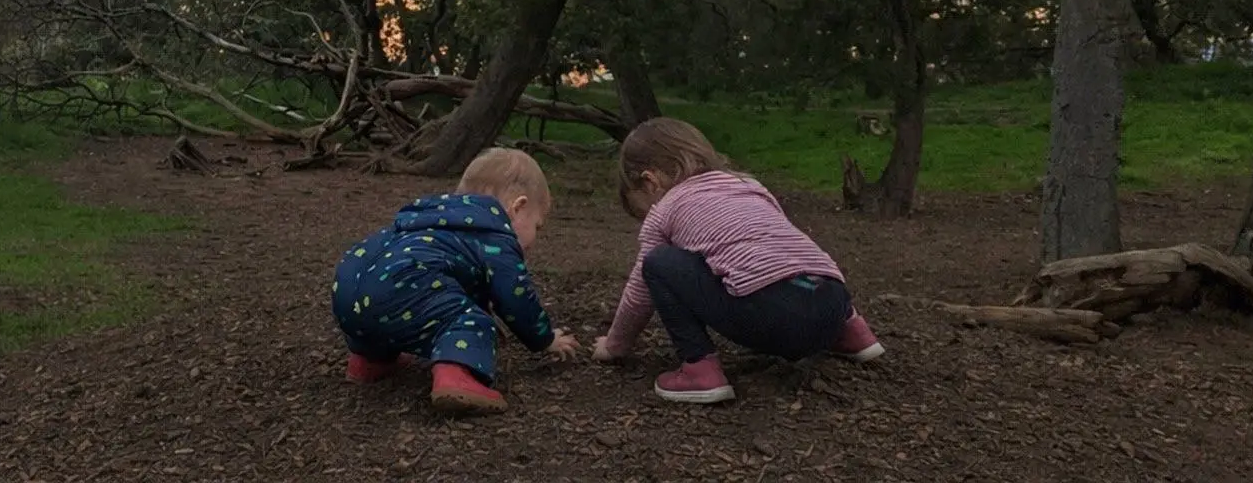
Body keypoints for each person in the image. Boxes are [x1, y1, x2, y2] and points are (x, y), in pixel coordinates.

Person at [591, 118, 884, 403]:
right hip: (832, 301)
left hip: (773, 318)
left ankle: (699, 369)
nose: (647, 216)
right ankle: (855, 335)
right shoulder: (748, 186)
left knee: (658, 262)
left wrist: (614, 346)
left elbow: (640, 292)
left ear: (650, 181)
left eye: (642, 208)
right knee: (788, 252)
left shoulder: (665, 208)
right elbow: (776, 252)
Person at [332, 146, 580, 414]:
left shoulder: (436, 219)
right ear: (518, 208)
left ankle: (370, 362)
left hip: (347, 291)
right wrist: (544, 338)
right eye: (537, 226)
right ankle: (457, 377)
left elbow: (456, 282)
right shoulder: (496, 235)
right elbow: (515, 295)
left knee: (422, 296)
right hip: (401, 286)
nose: (535, 238)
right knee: (469, 322)